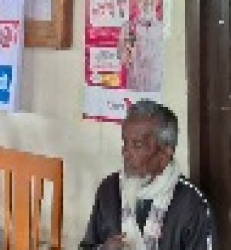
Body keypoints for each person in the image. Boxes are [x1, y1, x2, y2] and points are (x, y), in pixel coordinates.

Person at [81, 99, 216, 249]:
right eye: (125, 143)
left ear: (165, 153)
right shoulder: (109, 190)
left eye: (137, 145)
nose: (126, 153)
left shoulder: (191, 204)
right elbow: (87, 246)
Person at [119, 0, 163, 92]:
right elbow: (122, 58)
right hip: (134, 88)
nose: (147, 2)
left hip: (156, 89)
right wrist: (127, 53)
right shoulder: (128, 27)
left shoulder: (164, 29)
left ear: (157, 2)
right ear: (138, 1)